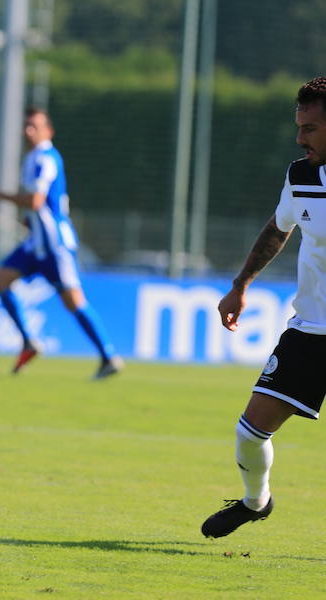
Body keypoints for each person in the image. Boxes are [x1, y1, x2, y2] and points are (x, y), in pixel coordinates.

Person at [200, 76, 326, 539]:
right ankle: (257, 502)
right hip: (311, 332)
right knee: (249, 433)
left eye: (310, 128)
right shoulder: (301, 176)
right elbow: (279, 227)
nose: (300, 138)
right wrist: (240, 285)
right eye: (299, 126)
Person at [0, 108, 123, 379]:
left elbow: (36, 200)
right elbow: (41, 205)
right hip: (36, 243)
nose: (28, 130)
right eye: (26, 125)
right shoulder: (33, 158)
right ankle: (29, 341)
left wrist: (1, 195)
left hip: (55, 245)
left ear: (49, 131)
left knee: (73, 300)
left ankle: (109, 356)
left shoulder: (46, 158)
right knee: (0, 280)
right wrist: (29, 221)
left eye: (34, 126)